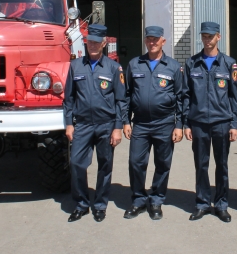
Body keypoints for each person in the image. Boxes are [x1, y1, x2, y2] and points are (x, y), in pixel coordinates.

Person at [63, 24, 126, 223]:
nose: (93, 45)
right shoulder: (75, 66)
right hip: (82, 125)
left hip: (106, 124)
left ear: (104, 43)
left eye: (97, 42)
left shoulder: (113, 68)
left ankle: (100, 205)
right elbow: (68, 98)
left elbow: (121, 100)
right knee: (76, 163)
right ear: (86, 42)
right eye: (90, 41)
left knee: (105, 165)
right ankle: (81, 204)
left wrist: (118, 127)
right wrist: (69, 123)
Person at [122, 26, 184, 220]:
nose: (152, 43)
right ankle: (138, 200)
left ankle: (156, 200)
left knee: (163, 163)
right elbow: (126, 95)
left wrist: (179, 125)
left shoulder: (173, 66)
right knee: (135, 162)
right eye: (149, 39)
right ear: (145, 41)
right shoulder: (135, 64)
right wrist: (126, 121)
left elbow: (181, 97)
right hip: (140, 123)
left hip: (165, 123)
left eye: (156, 39)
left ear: (163, 41)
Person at [183, 22, 237, 223]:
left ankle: (222, 204)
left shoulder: (229, 63)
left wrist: (235, 124)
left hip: (221, 122)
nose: (207, 40)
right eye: (204, 36)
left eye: (211, 36)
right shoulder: (192, 63)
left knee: (222, 165)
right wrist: (186, 123)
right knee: (201, 165)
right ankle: (202, 203)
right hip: (198, 122)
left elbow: (235, 96)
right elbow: (186, 95)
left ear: (218, 37)